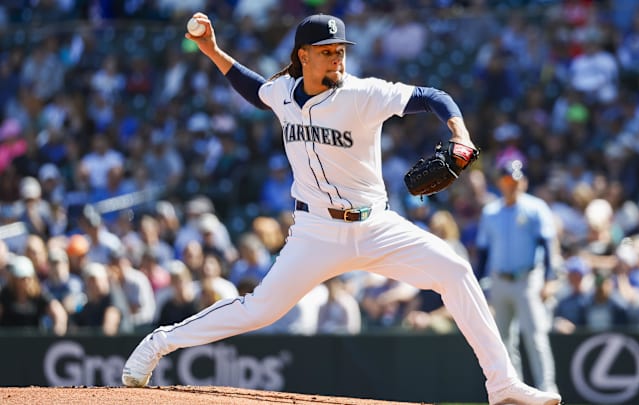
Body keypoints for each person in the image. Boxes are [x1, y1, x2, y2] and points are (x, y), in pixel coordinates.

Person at [122, 13, 561, 405]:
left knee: (457, 272)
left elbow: (432, 95)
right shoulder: (283, 92)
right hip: (316, 232)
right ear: (303, 57)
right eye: (327, 52)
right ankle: (160, 342)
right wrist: (213, 51)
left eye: (340, 51)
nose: (337, 59)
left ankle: (502, 385)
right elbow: (257, 91)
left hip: (377, 226)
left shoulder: (363, 93)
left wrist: (460, 134)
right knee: (260, 310)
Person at [475, 159, 559, 394]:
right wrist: (480, 285)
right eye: (506, 180)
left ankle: (547, 389)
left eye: (515, 180)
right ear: (500, 183)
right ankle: (516, 391)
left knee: (535, 336)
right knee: (503, 340)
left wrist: (550, 278)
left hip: (528, 280)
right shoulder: (491, 212)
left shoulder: (535, 208)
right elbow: (483, 252)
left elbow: (547, 244)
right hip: (499, 280)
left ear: (523, 182)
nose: (511, 185)